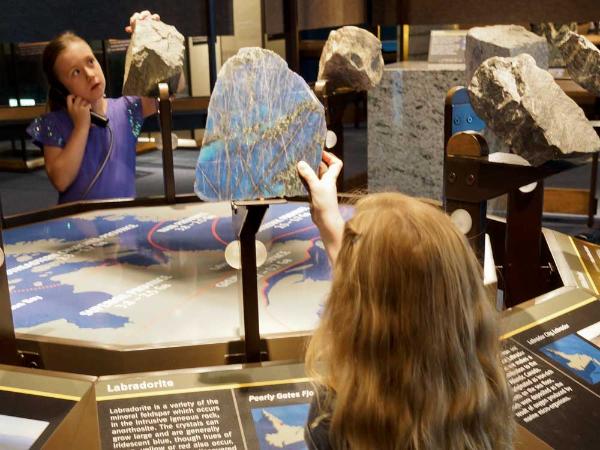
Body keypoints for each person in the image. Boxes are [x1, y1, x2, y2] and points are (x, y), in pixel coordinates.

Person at [297, 152, 514, 450]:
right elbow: (407, 291)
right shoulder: (483, 394)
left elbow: (380, 300)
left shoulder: (337, 417)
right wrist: (331, 223)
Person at [27, 11, 160, 203]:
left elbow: (170, 87)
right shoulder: (54, 123)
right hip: (78, 227)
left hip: (123, 223)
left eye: (90, 61)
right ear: (62, 88)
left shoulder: (127, 109)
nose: (90, 74)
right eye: (75, 72)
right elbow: (61, 180)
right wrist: (80, 127)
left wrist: (152, 39)